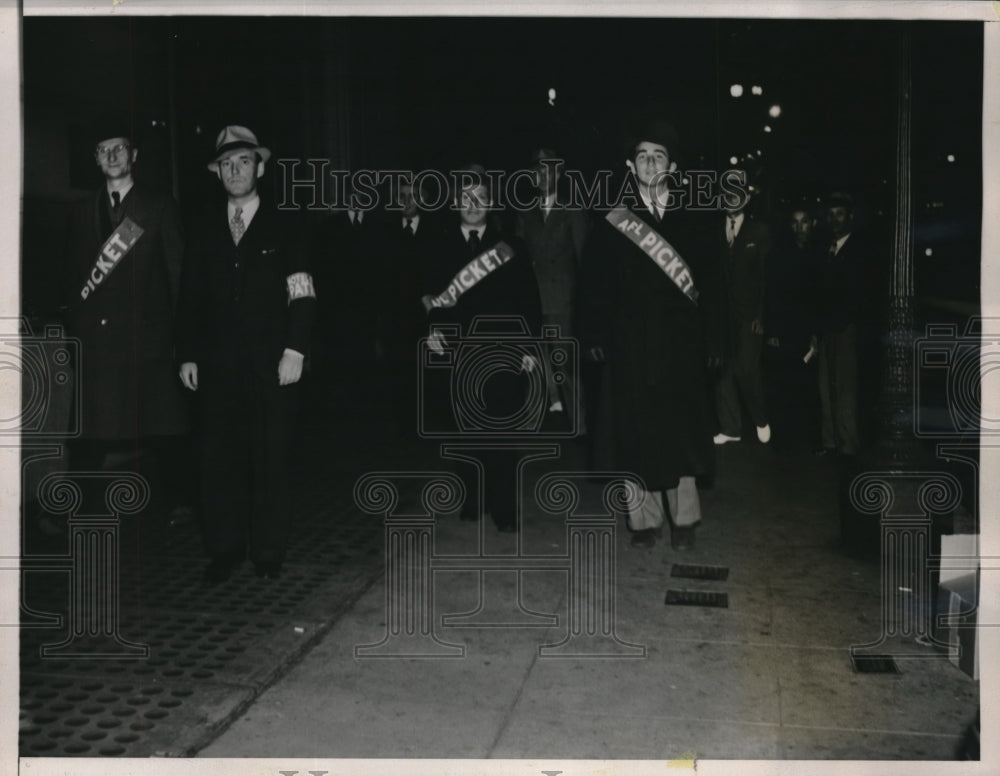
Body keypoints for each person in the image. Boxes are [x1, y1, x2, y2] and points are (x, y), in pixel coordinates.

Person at [177, 126, 316, 584]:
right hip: (218, 368)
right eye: (226, 165)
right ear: (217, 173)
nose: (235, 171)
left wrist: (296, 348)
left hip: (272, 365)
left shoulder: (286, 224)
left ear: (260, 166)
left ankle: (268, 552)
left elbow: (302, 293)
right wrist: (188, 354)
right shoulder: (203, 226)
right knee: (218, 459)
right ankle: (225, 549)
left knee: (271, 457)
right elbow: (190, 296)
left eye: (243, 162)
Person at [581, 120, 720, 550]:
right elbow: (592, 285)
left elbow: (715, 284)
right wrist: (594, 335)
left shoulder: (696, 218)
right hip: (629, 346)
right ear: (630, 165)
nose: (650, 162)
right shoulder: (611, 222)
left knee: (680, 431)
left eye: (658, 155)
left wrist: (716, 340)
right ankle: (643, 523)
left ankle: (684, 521)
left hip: (680, 345)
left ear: (672, 166)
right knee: (632, 431)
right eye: (642, 156)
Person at [61, 120, 193, 519]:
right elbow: (70, 277)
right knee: (88, 432)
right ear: (96, 160)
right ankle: (72, 507)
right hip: (99, 340)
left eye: (120, 148)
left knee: (164, 427)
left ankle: (181, 500)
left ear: (133, 155)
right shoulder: (81, 209)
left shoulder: (158, 205)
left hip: (146, 338)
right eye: (104, 150)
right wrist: (74, 332)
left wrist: (181, 340)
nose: (113, 156)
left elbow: (178, 275)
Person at [421, 168, 542, 533]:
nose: (473, 205)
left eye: (481, 198)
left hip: (503, 349)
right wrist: (429, 331)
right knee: (464, 428)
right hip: (456, 350)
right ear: (456, 203)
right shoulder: (437, 246)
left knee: (502, 430)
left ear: (490, 204)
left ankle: (504, 506)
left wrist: (529, 347)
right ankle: (474, 498)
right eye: (466, 198)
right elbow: (425, 296)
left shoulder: (511, 247)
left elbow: (529, 300)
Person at [515, 146, 590, 431]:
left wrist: (584, 306)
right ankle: (532, 422)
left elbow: (583, 260)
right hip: (533, 301)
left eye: (548, 169)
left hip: (564, 302)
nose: (542, 175)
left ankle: (580, 425)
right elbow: (520, 260)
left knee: (567, 366)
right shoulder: (524, 212)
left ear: (559, 173)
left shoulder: (573, 210)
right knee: (533, 364)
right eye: (537, 170)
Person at [714, 179, 772, 446]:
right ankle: (730, 428)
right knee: (723, 371)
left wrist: (762, 315)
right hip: (722, 315)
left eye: (736, 195)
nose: (731, 198)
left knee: (747, 370)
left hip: (750, 315)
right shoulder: (715, 229)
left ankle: (760, 419)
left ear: (746, 199)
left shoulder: (759, 231)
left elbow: (766, 277)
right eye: (726, 194)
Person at [380, 174, 438, 438]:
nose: (406, 201)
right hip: (395, 315)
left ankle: (428, 423)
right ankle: (403, 428)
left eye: (412, 195)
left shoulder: (437, 231)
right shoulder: (387, 232)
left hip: (427, 313)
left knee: (426, 370)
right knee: (398, 369)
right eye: (401, 196)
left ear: (423, 199)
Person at [763, 204, 821, 450]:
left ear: (813, 224)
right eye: (795, 222)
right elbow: (771, 293)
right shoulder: (780, 254)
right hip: (785, 329)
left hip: (809, 329)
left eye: (804, 222)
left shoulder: (819, 253)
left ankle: (808, 440)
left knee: (808, 386)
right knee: (784, 384)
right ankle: (784, 441)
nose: (800, 228)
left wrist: (816, 332)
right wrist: (773, 331)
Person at [814, 191, 863, 456]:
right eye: (831, 215)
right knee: (825, 386)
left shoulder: (857, 250)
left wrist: (842, 322)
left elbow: (858, 294)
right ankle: (830, 442)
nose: (834, 220)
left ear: (851, 217)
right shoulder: (827, 248)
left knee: (845, 388)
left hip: (845, 328)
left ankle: (848, 445)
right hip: (826, 329)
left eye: (840, 214)